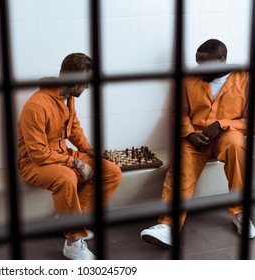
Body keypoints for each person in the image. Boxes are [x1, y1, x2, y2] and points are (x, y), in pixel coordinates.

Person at [140, 39, 255, 248]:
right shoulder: (189, 78)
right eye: (198, 63)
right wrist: (190, 134)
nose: (200, 69)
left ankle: (240, 213)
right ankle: (167, 226)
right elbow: (179, 113)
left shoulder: (245, 79)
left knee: (237, 147)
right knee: (180, 167)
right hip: (194, 136)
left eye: (206, 64)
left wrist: (222, 124)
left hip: (228, 135)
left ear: (222, 60)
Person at [17, 52, 122, 259]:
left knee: (112, 172)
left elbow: (73, 127)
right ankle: (73, 240)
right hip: (34, 162)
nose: (88, 87)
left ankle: (71, 220)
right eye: (85, 83)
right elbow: (38, 153)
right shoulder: (36, 105)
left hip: (60, 154)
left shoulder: (67, 98)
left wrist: (88, 149)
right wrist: (74, 162)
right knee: (68, 177)